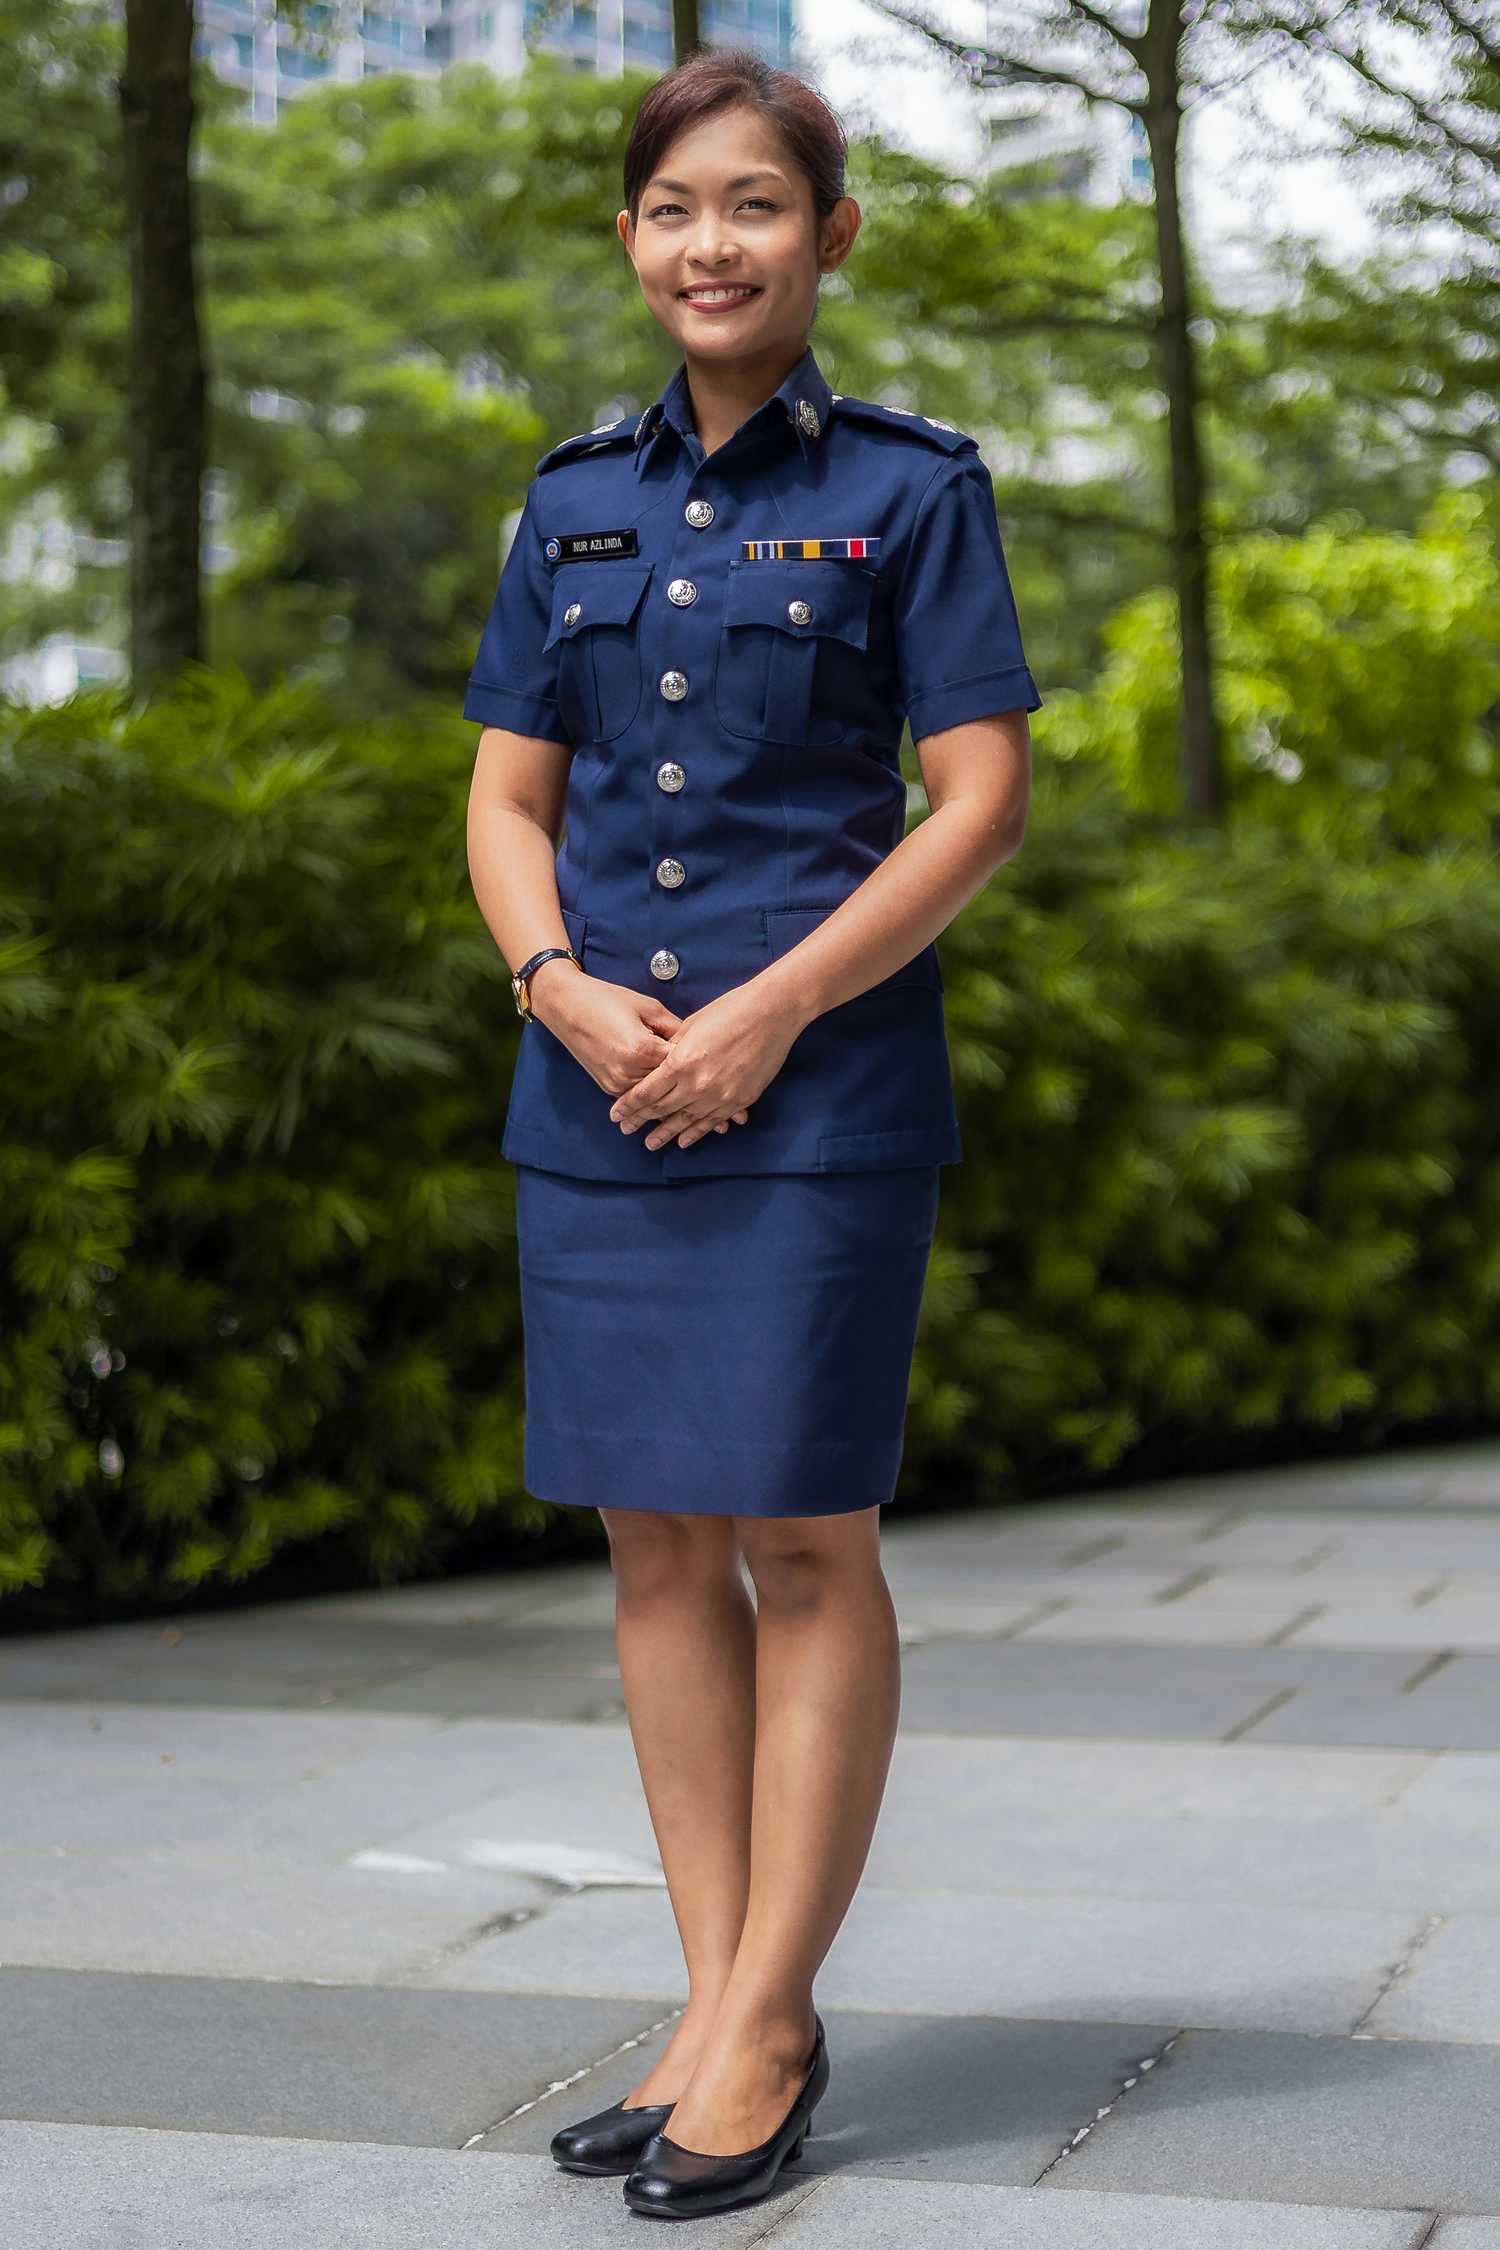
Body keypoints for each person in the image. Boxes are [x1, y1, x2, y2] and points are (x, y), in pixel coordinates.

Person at [463, 46, 1039, 2222]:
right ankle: (714, 2008)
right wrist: (561, 992)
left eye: (756, 206)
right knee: (647, 1544)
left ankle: (773, 2020)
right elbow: (508, 801)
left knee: (804, 1542)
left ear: (829, 234)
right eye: (674, 209)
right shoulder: (567, 501)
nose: (713, 243)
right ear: (632, 242)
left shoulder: (910, 491)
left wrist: (774, 1016)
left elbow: (975, 799)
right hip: (594, 1087)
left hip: (820, 1100)